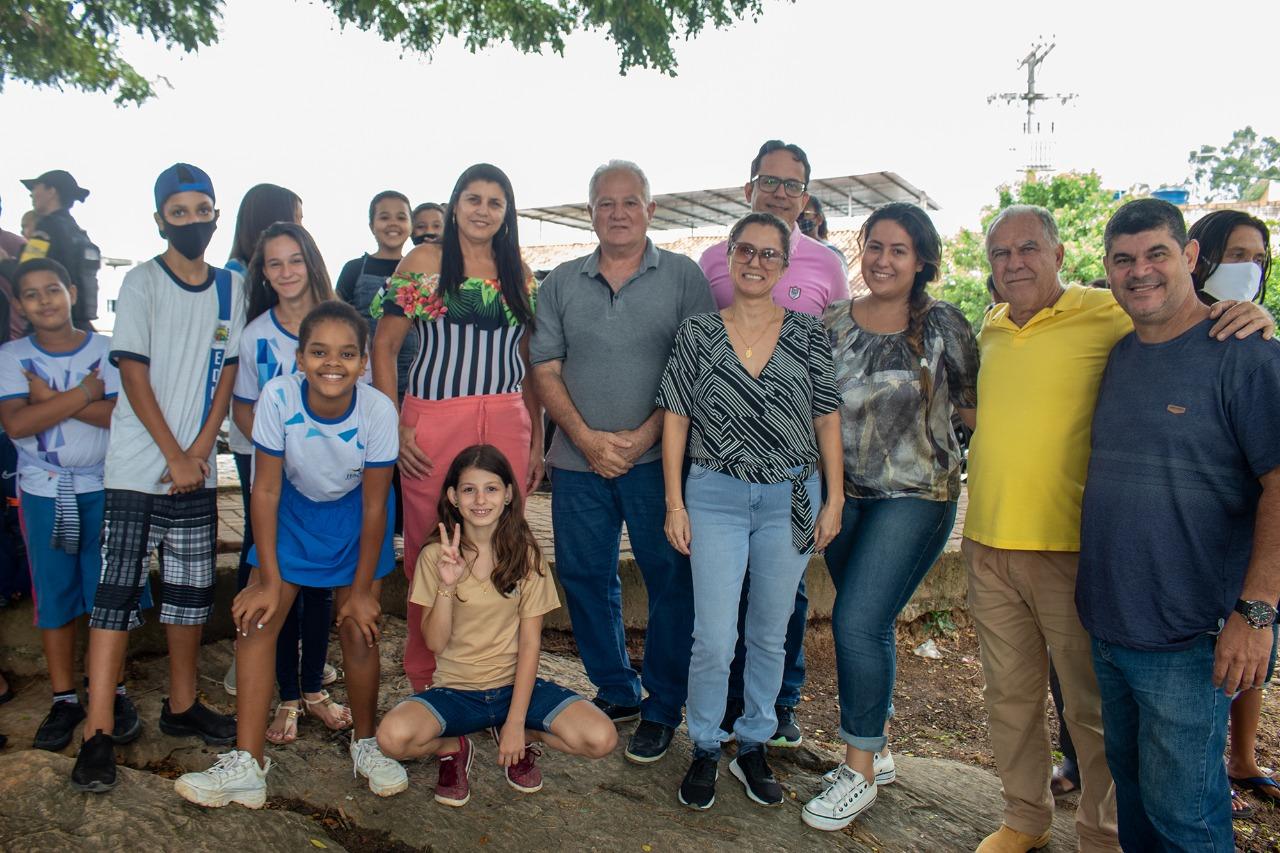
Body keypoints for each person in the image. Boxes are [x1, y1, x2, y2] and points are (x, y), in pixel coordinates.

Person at [964, 204, 1273, 853]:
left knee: (1096, 716)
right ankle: (1025, 815)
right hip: (995, 546)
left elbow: (1185, 321)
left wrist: (1251, 314)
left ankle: (1101, 837)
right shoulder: (992, 326)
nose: (1014, 262)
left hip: (1078, 553)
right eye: (1000, 253)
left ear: (1062, 256)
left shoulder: (1104, 314)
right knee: (1010, 698)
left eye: (1028, 248)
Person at [1077, 198, 1280, 850]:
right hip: (1111, 627)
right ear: (1107, 271)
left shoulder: (1245, 355)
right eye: (1124, 260)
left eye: (1157, 254)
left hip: (1191, 639)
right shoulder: (1120, 356)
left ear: (1191, 257)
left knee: (1186, 821)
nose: (1141, 271)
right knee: (1138, 806)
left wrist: (1257, 611)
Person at [175, 300, 407, 808]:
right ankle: (247, 764)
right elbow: (265, 491)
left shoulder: (377, 410)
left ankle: (365, 744)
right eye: (319, 351)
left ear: (363, 362)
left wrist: (365, 589)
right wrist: (270, 579)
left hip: (353, 518)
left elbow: (374, 505)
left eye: (347, 353)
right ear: (299, 358)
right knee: (256, 622)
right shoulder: (277, 397)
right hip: (291, 514)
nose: (333, 363)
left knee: (358, 627)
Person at [529, 160, 713, 763]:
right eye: (605, 203)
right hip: (579, 463)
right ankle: (616, 689)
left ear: (651, 210)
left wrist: (641, 436)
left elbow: (697, 369)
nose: (617, 213)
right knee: (585, 577)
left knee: (670, 580)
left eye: (629, 202)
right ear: (590, 213)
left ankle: (661, 707)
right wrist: (584, 438)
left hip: (658, 462)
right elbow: (545, 367)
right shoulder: (559, 282)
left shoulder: (684, 277)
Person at [658, 211, 843, 810]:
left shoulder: (810, 334)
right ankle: (707, 745)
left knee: (769, 631)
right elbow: (676, 418)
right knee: (713, 635)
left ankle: (755, 742)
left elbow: (826, 419)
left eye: (769, 253)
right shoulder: (697, 333)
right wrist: (674, 501)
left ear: (786, 265)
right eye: (746, 250)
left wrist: (834, 498)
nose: (756, 261)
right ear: (729, 256)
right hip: (714, 494)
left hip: (790, 495)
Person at [803, 202, 978, 830]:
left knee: (855, 619)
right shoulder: (827, 325)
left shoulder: (944, 327)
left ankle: (857, 771)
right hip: (841, 499)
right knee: (867, 623)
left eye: (898, 250)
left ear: (921, 260)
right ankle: (876, 747)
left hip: (917, 496)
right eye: (874, 246)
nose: (882, 260)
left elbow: (972, 411)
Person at [71, 163, 243, 792]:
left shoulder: (231, 287)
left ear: (216, 214)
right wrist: (174, 453)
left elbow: (225, 374)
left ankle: (180, 705)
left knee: (190, 594)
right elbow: (134, 377)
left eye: (203, 209)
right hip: (139, 470)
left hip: (193, 469)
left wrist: (199, 452)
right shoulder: (143, 282)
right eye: (180, 212)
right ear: (160, 220)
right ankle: (96, 732)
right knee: (115, 597)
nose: (193, 220)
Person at [698, 140, 848, 747]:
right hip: (721, 470)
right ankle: (717, 718)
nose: (780, 192)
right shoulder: (711, 261)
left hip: (792, 470)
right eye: (769, 181)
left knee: (779, 605)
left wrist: (832, 491)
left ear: (806, 195)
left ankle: (775, 712)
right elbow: (695, 359)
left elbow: (832, 373)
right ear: (748, 187)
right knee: (716, 612)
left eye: (792, 184)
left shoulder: (828, 266)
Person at [370, 163, 542, 694]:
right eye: (473, 198)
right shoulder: (424, 260)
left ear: (506, 212)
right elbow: (383, 346)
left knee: (503, 540)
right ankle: (428, 678)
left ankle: (497, 673)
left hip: (508, 420)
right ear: (454, 204)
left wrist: (537, 438)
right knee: (432, 542)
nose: (483, 210)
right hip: (435, 419)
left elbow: (532, 361)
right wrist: (393, 427)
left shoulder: (520, 270)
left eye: (495, 201)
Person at [376, 445, 617, 806]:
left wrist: (517, 723)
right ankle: (453, 747)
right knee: (392, 738)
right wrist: (447, 584)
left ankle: (522, 736)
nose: (480, 499)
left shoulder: (526, 554)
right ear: (453, 497)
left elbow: (530, 644)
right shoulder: (435, 556)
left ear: (507, 495)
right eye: (469, 489)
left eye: (491, 488)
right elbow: (436, 643)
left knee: (601, 738)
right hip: (456, 691)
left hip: (514, 688)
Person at [0, 258, 150, 753]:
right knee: (56, 597)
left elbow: (122, 417)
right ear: (19, 306)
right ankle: (64, 697)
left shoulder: (107, 351)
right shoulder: (12, 355)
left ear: (71, 291)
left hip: (106, 488)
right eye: (31, 294)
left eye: (52, 289)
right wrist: (86, 393)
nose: (44, 301)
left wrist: (56, 399)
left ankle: (116, 691)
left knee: (110, 593)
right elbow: (18, 425)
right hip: (44, 492)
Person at [230, 222, 351, 744]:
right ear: (264, 272)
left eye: (295, 260)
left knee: (321, 589)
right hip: (276, 485)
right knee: (276, 585)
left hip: (330, 484)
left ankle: (313, 689)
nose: (286, 272)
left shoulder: (341, 320)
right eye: (274, 263)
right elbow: (241, 406)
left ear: (312, 261)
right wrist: (283, 440)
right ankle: (285, 697)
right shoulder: (256, 334)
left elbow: (358, 395)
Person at [1186, 210, 1279, 815]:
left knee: (1251, 646)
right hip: (1191, 527)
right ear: (1200, 257)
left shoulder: (1259, 345)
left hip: (1249, 525)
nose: (1248, 270)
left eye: (1260, 259)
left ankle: (1239, 760)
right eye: (1236, 254)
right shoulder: (1152, 321)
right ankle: (1206, 771)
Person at [220, 182, 306, 698]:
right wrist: (276, 444)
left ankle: (292, 667)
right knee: (261, 549)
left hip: (308, 451)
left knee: (295, 551)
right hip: (260, 449)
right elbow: (240, 390)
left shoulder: (316, 311)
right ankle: (249, 656)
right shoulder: (238, 285)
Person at [337, 190, 417, 402]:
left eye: (401, 217)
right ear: (371, 225)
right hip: (363, 380)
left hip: (416, 383)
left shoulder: (421, 270)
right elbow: (336, 322)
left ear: (410, 225)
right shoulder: (353, 269)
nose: (393, 223)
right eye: (384, 217)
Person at [19, 170, 100, 325]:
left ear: (51, 191)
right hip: (79, 322)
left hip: (51, 323)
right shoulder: (77, 232)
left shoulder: (46, 228)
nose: (31, 194)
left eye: (36, 187)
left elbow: (25, 270)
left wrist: (4, 262)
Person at [798, 196, 848, 273]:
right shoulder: (790, 251)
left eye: (802, 215)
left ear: (818, 219)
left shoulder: (830, 253)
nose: (797, 219)